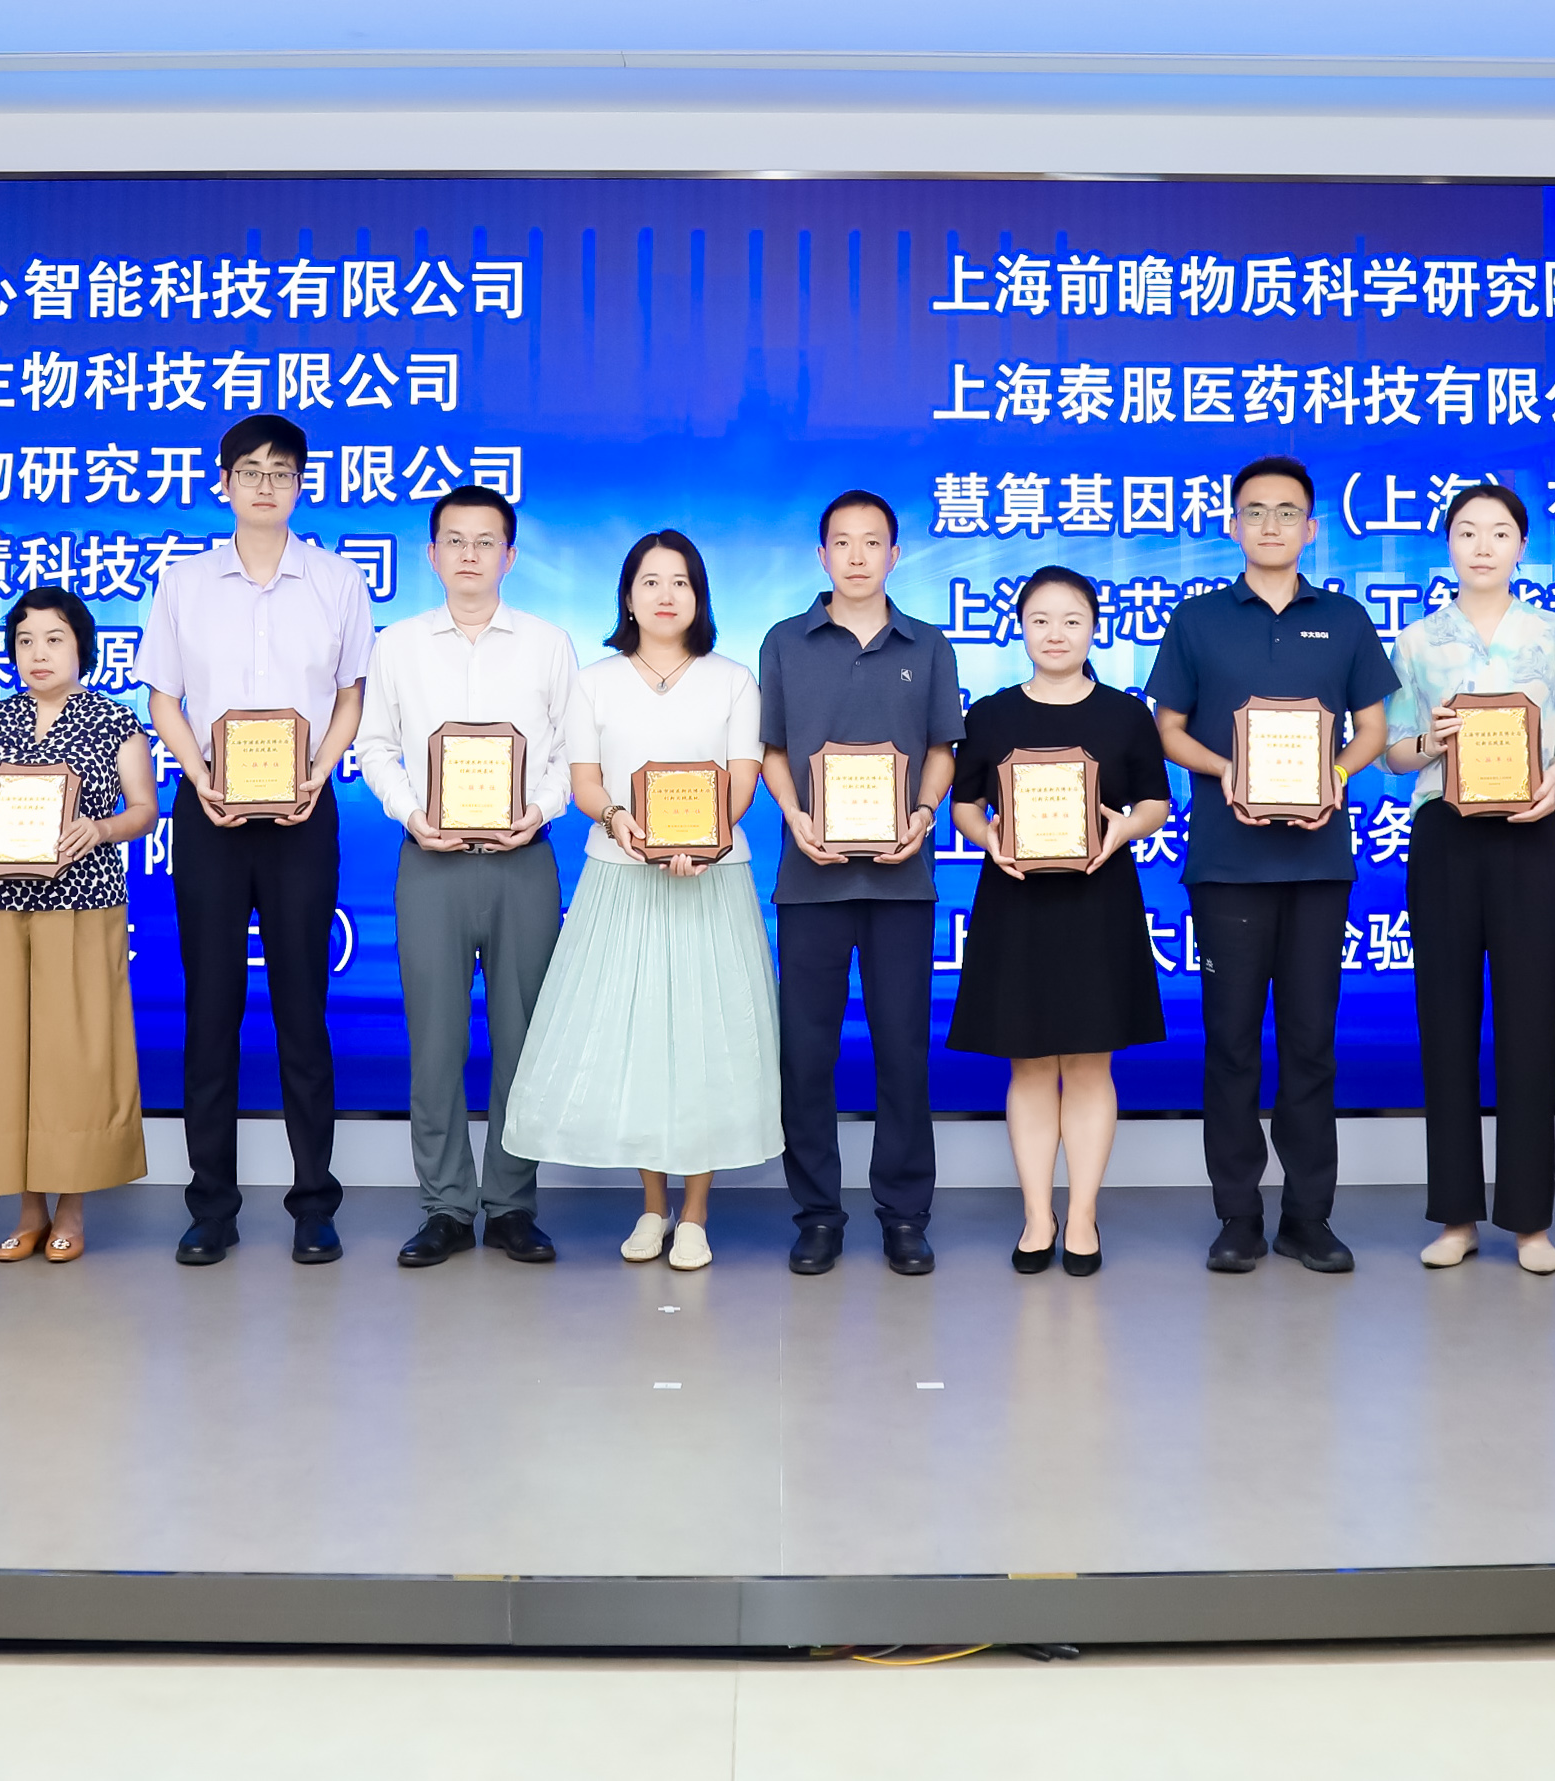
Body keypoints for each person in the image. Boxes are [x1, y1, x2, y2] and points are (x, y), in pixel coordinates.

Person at [1146, 455, 1396, 1275]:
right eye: (1254, 510)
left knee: (1310, 1043)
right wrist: (1230, 772)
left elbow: (1370, 729)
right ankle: (1238, 1214)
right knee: (1230, 1044)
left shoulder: (1345, 618)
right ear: (1231, 524)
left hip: (1318, 863)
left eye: (1287, 511)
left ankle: (1307, 1216)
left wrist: (1335, 776)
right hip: (1227, 863)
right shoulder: (1196, 619)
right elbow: (1167, 729)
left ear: (1311, 528)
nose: (1270, 524)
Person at [502, 531, 777, 1269]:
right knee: (641, 1042)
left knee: (705, 1042)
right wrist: (620, 822)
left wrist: (705, 841)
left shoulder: (733, 680)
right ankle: (652, 1206)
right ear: (627, 596)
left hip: (712, 878)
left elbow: (742, 782)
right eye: (650, 581)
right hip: (621, 877)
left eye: (680, 581)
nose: (665, 595)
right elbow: (586, 782)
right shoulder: (594, 681)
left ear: (699, 596)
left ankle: (696, 1214)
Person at [143, 413, 373, 1266]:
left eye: (281, 471)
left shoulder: (336, 580)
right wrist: (198, 773)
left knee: (302, 1009)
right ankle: (211, 1205)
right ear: (224, 483)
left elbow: (350, 693)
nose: (265, 484)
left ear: (301, 485)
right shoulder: (184, 582)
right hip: (208, 812)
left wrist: (320, 768)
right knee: (210, 1010)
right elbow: (163, 696)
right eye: (250, 470)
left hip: (305, 811)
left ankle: (314, 1203)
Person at [1375, 482, 1555, 1273]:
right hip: (1445, 837)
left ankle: (1530, 1221)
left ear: (1521, 546)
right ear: (1447, 545)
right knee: (1446, 1024)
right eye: (1466, 531)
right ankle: (1455, 1216)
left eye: (1498, 531)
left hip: (1530, 836)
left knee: (1530, 1025)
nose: (1481, 545)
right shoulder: (1415, 640)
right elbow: (1392, 749)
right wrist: (1429, 743)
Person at [356, 484, 575, 1268]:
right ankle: (445, 1205)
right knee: (435, 1041)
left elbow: (569, 750)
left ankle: (512, 1204)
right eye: (455, 540)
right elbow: (375, 744)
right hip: (431, 861)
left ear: (509, 555)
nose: (470, 554)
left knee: (524, 1040)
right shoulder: (398, 644)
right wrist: (412, 813)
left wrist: (539, 809)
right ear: (432, 553)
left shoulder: (547, 643)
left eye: (486, 541)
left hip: (523, 859)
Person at [757, 489, 963, 1276]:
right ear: (821, 555)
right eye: (840, 541)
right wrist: (793, 814)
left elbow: (942, 747)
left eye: (871, 541)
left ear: (894, 554)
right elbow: (773, 749)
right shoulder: (785, 641)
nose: (855, 555)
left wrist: (923, 812)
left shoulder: (928, 644)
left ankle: (905, 1214)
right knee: (806, 1052)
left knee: (901, 1049)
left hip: (900, 879)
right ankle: (816, 1213)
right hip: (809, 877)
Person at [948, 565, 1171, 1276]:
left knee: (1090, 1062)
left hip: (1097, 901)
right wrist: (989, 841)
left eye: (1071, 620)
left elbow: (1155, 802)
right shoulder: (990, 714)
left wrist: (1121, 830)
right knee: (1029, 1062)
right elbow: (964, 804)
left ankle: (1081, 1216)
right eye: (1040, 619)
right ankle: (1037, 1215)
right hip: (1016, 901)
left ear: (1094, 629)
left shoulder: (1124, 714)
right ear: (1019, 628)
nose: (1055, 633)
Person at [0, 584, 156, 1260]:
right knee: (5, 1053)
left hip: (84, 905)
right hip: (2, 906)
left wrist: (100, 829)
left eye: (54, 639)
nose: (38, 652)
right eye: (25, 640)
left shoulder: (115, 719)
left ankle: (72, 1209)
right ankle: (28, 1210)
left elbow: (144, 808)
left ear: (81, 647)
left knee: (73, 1056)